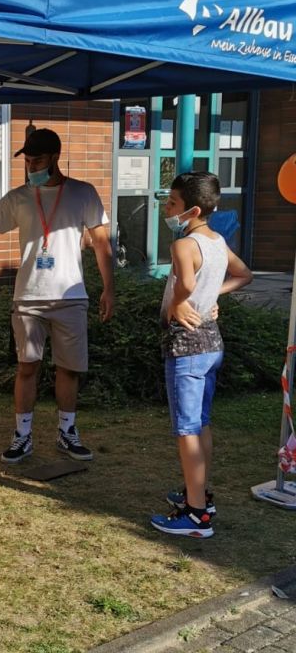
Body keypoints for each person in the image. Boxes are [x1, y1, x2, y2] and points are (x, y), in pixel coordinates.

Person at [0, 126, 114, 464]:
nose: (31, 167)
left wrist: (109, 288)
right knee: (27, 367)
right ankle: (22, 436)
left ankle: (67, 432)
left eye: (38, 161)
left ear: (56, 158)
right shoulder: (18, 197)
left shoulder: (83, 193)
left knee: (69, 369)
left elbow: (102, 242)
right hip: (29, 297)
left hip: (71, 297)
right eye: (28, 161)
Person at [151, 172, 252, 538]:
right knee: (201, 423)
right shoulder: (217, 241)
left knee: (187, 429)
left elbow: (187, 284)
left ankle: (196, 516)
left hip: (187, 347)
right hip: (211, 343)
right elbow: (244, 274)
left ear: (193, 210)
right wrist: (210, 297)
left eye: (172, 203)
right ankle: (199, 496)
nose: (166, 209)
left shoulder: (184, 245)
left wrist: (180, 302)